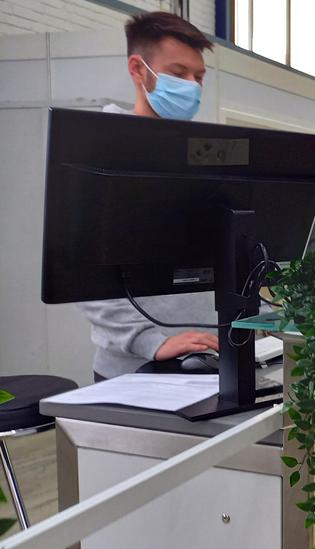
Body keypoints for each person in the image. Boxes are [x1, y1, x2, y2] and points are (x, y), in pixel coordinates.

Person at [79, 12, 217, 382]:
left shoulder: (203, 157)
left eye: (199, 77)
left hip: (209, 356)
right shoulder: (100, 156)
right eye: (178, 73)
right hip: (134, 369)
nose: (192, 86)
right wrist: (150, 341)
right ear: (138, 70)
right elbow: (80, 272)